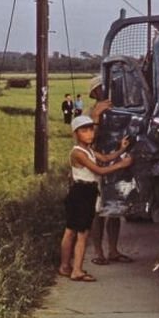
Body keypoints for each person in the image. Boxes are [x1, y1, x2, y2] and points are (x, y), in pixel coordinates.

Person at [59, 115, 132, 282]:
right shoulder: (78, 153)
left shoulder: (89, 151)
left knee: (71, 231)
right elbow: (99, 170)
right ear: (76, 134)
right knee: (81, 234)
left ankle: (65, 266)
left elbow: (105, 158)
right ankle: (76, 270)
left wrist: (121, 150)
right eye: (84, 131)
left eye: (91, 129)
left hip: (85, 192)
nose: (89, 134)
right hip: (82, 192)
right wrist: (122, 164)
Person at [88, 76, 134, 266]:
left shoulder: (119, 110)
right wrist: (96, 118)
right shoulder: (89, 113)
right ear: (96, 93)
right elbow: (88, 140)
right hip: (96, 164)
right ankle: (99, 252)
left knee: (114, 209)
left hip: (115, 161)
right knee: (97, 212)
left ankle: (113, 250)